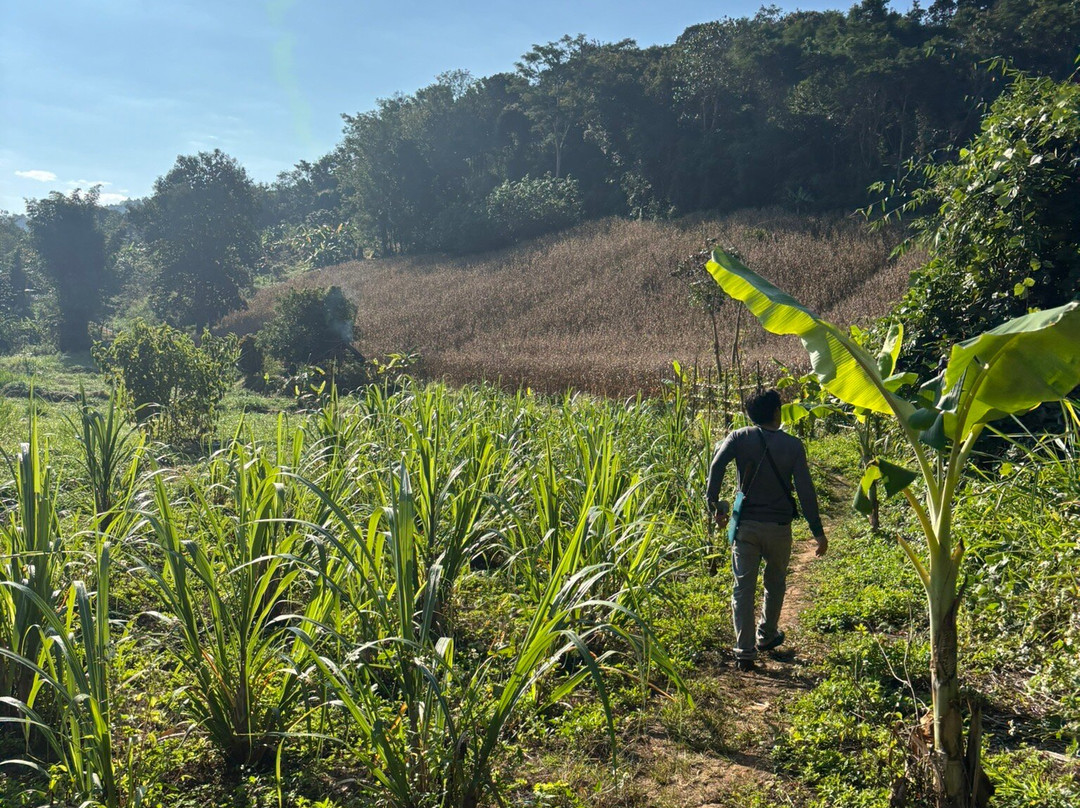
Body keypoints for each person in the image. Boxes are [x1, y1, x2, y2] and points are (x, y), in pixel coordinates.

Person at [706, 389, 827, 672]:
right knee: (775, 583)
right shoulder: (793, 446)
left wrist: (716, 507)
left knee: (742, 588)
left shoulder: (739, 437)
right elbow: (806, 490)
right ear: (777, 412)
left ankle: (744, 651)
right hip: (779, 528)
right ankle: (767, 635)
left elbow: (716, 466)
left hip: (745, 526)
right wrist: (817, 530)